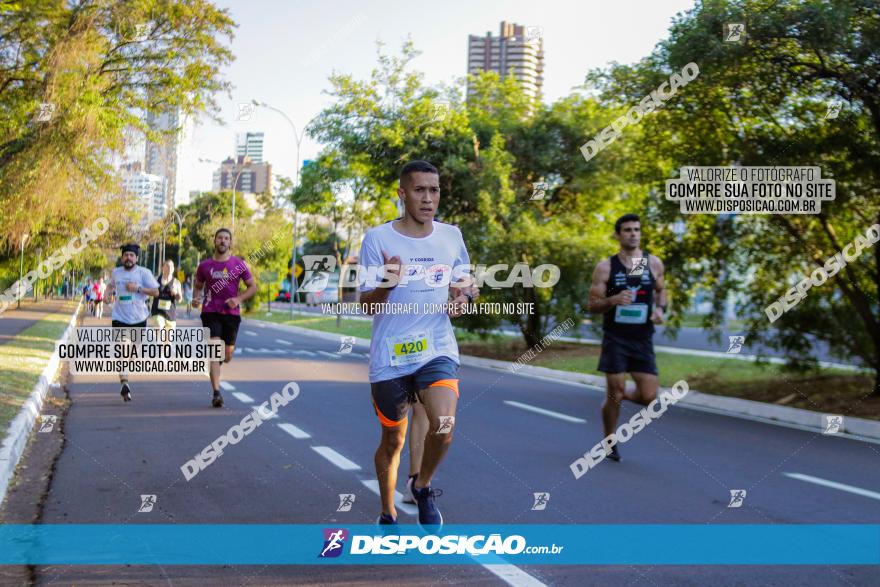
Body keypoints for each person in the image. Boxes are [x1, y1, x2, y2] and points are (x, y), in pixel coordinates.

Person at [359, 160, 478, 528]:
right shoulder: (377, 239)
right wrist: (386, 284)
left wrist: (465, 299)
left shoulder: (450, 236)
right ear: (402, 194)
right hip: (390, 358)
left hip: (436, 349)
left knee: (444, 423)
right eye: (419, 190)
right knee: (393, 442)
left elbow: (467, 284)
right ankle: (387, 511)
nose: (428, 198)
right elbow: (366, 304)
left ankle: (422, 485)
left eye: (434, 190)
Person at [587, 213, 667, 462]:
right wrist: (612, 300)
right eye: (628, 230)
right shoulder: (607, 267)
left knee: (649, 398)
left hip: (642, 339)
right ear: (618, 235)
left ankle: (618, 396)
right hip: (616, 338)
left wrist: (660, 310)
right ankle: (610, 441)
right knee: (615, 391)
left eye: (636, 229)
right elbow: (592, 304)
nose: (633, 233)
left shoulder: (652, 263)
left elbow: (661, 292)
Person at [192, 229, 257, 408]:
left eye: (226, 238)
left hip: (231, 314)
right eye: (220, 238)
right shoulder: (205, 265)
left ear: (230, 243)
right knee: (214, 350)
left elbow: (252, 287)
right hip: (210, 312)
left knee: (227, 356)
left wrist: (238, 299)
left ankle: (217, 363)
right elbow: (198, 286)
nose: (223, 241)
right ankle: (216, 393)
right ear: (214, 241)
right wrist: (196, 298)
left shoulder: (239, 264)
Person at [107, 244, 160, 402]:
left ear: (136, 258)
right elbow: (110, 285)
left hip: (139, 318)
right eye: (126, 255)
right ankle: (124, 382)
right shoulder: (116, 272)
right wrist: (106, 293)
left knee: (131, 353)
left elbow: (156, 292)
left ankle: (125, 373)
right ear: (122, 257)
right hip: (119, 317)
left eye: (131, 255)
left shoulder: (144, 273)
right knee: (123, 348)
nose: (128, 258)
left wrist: (138, 289)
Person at [151, 260, 184, 329]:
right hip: (157, 311)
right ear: (162, 267)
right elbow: (150, 292)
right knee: (159, 327)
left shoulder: (176, 282)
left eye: (172, 266)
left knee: (168, 339)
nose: (170, 268)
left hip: (170, 314)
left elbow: (179, 299)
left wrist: (175, 293)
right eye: (168, 266)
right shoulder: (156, 279)